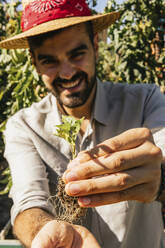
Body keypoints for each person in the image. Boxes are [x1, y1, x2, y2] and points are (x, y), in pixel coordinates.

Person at [1, 0, 165, 247]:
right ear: (33, 62)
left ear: (95, 46)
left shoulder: (145, 101)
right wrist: (43, 230)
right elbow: (28, 203)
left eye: (77, 54)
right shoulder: (23, 126)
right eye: (49, 61)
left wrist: (159, 180)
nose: (67, 73)